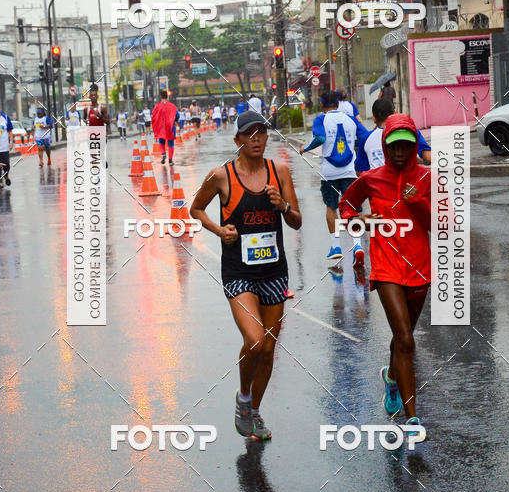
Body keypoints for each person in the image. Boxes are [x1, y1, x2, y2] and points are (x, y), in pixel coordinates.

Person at [191, 110, 302, 441]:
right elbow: (195, 208)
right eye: (249, 134)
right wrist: (218, 229)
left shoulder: (278, 171)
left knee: (268, 350)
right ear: (238, 140)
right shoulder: (221, 176)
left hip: (274, 272)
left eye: (261, 132)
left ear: (267, 138)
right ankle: (243, 398)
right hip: (239, 272)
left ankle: (253, 412)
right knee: (254, 341)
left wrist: (282, 206)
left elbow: (296, 220)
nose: (256, 138)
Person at [339, 114, 431, 440]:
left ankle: (392, 378)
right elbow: (346, 205)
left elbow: (441, 224)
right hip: (387, 267)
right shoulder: (371, 178)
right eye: (394, 146)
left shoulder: (428, 179)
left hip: (420, 267)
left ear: (415, 144)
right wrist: (360, 220)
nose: (400, 152)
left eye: (406, 145)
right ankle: (413, 420)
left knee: (401, 338)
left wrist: (416, 201)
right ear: (385, 145)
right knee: (406, 339)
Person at [300, 90, 369, 264]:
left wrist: (306, 148)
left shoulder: (321, 119)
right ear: (338, 104)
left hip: (329, 172)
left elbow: (321, 138)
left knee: (331, 208)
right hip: (350, 171)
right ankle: (357, 245)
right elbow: (364, 137)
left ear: (322, 105)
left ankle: (336, 246)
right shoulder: (351, 119)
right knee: (352, 209)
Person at [355, 98, 432, 173]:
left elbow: (359, 171)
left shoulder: (366, 138)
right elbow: (429, 158)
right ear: (395, 113)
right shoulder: (410, 132)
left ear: (374, 118)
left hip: (378, 184)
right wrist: (417, 160)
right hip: (407, 183)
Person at [151, 89, 179, 166]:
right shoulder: (172, 106)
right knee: (171, 144)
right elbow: (177, 115)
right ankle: (170, 160)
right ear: (167, 96)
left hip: (161, 127)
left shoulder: (157, 106)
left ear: (160, 97)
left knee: (161, 142)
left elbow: (153, 115)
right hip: (170, 126)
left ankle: (163, 153)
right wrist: (175, 120)